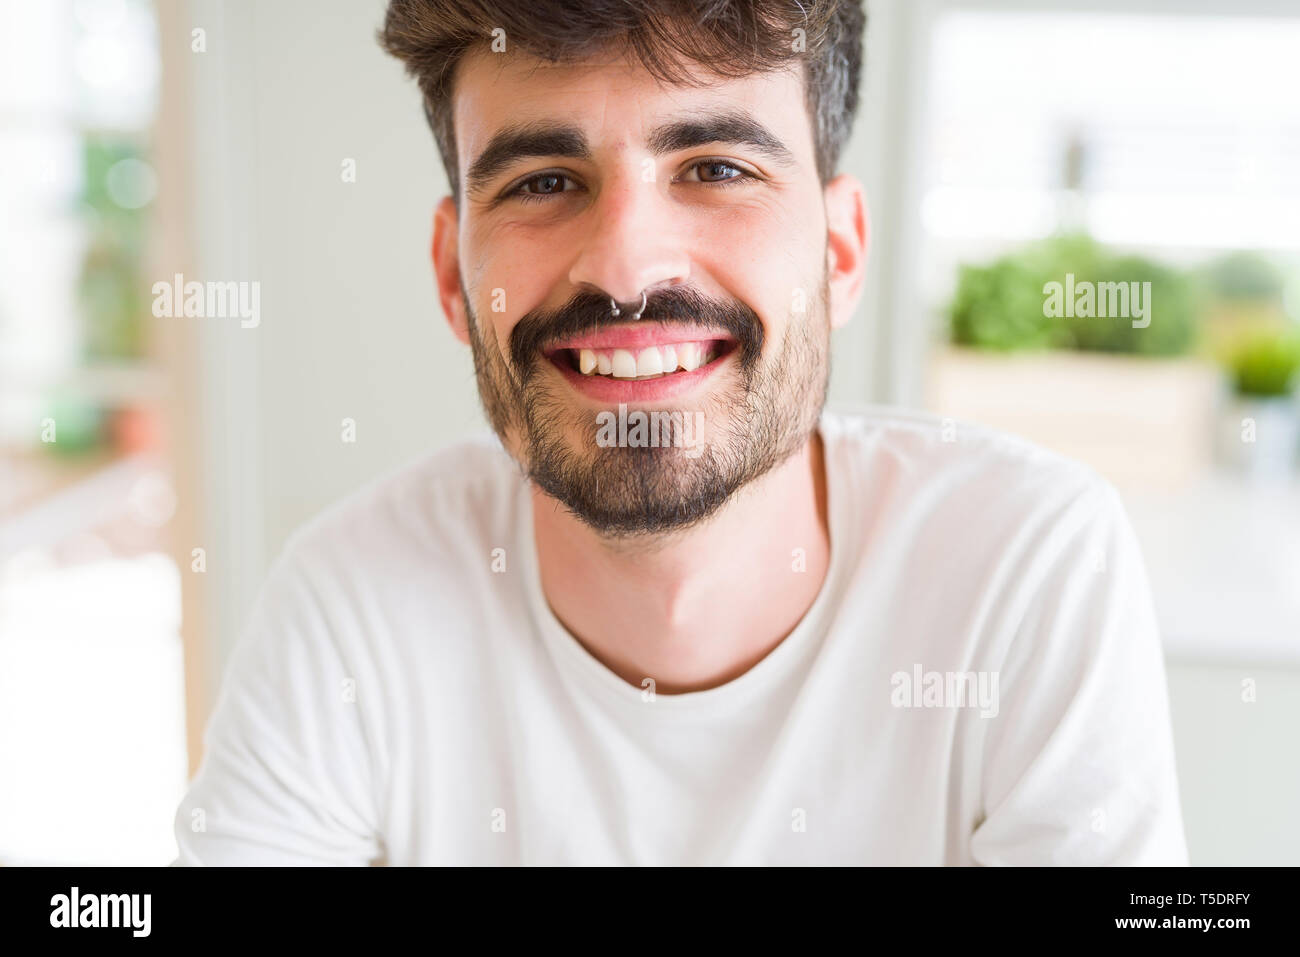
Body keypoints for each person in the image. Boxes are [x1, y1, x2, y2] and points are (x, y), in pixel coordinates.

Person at [172, 0, 1188, 865]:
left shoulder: (1023, 563)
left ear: (837, 252)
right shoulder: (349, 605)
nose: (624, 267)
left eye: (715, 168)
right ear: (451, 275)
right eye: (541, 183)